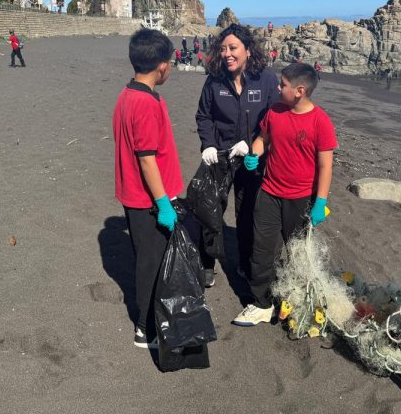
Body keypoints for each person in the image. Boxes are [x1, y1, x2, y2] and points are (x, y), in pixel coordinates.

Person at [233, 63, 337, 326]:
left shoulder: (321, 121)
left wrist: (321, 201)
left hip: (301, 198)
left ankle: (296, 299)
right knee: (262, 249)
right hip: (269, 192)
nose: (278, 88)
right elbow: (263, 139)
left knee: (297, 252)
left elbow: (326, 166)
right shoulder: (275, 111)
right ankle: (262, 304)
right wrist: (255, 154)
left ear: (300, 90)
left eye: (283, 85)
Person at [113, 29, 183, 349]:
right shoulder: (144, 103)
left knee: (149, 257)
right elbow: (146, 158)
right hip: (147, 200)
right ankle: (145, 328)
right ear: (162, 66)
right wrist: (163, 202)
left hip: (139, 195)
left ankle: (149, 319)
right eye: (171, 63)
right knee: (151, 263)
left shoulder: (129, 94)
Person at [195, 23, 280, 287]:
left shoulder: (266, 80)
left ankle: (245, 262)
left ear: (248, 50)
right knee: (210, 211)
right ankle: (207, 263)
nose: (227, 54)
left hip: (251, 159)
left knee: (247, 214)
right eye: (223, 49)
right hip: (219, 156)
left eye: (233, 48)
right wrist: (208, 144)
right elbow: (204, 116)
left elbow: (275, 119)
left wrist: (252, 145)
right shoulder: (215, 80)